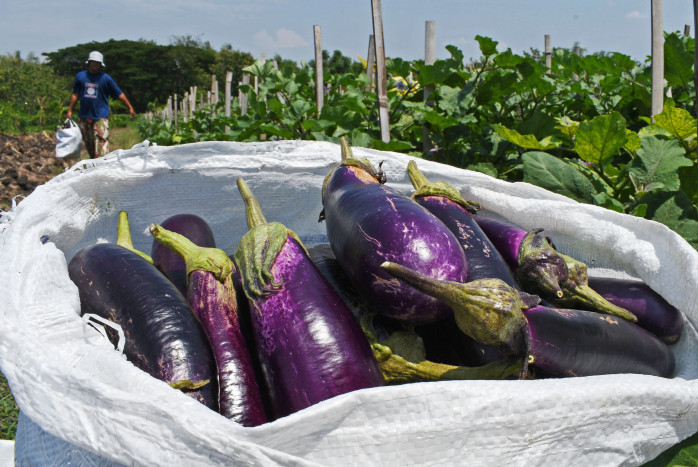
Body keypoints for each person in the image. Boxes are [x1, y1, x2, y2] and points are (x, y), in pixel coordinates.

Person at [66, 51, 135, 158]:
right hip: (84, 115)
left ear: (100, 64)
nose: (95, 64)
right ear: (89, 62)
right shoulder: (80, 77)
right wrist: (70, 110)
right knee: (89, 143)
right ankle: (94, 164)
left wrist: (129, 107)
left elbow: (119, 94)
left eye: (97, 62)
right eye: (93, 62)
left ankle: (103, 165)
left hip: (100, 116)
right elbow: (76, 94)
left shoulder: (106, 79)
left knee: (102, 142)